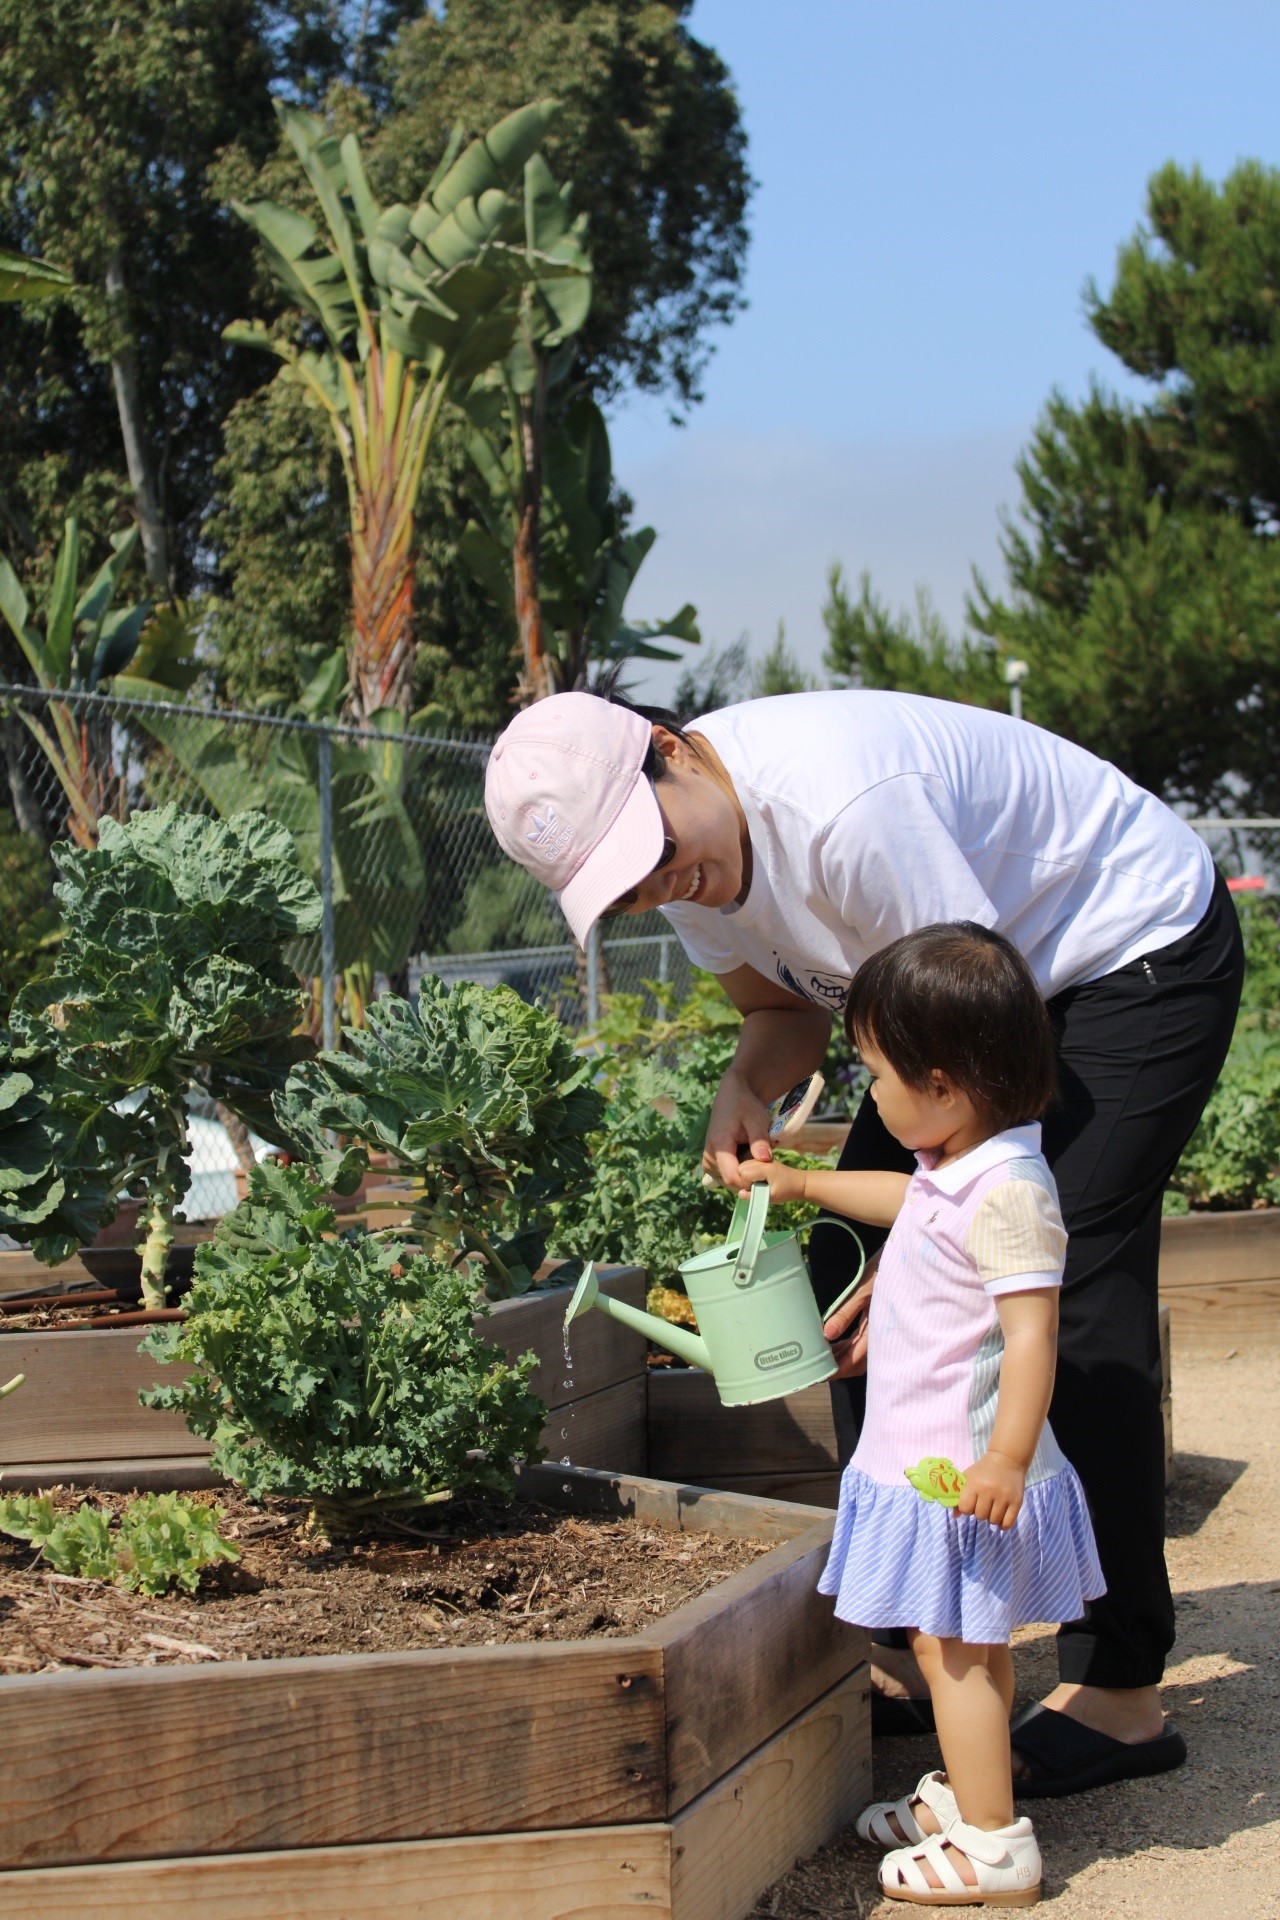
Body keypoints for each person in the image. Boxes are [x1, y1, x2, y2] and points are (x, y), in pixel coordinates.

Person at [484, 686, 1244, 1793]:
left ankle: (1120, 1686)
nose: (658, 887)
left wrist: (934, 1259)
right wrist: (743, 1085)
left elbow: (974, 1029)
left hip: (1120, 955)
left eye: (649, 852)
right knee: (848, 1280)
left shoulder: (845, 807)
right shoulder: (690, 863)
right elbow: (783, 1014)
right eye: (624, 884)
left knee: (1052, 1289)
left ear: (666, 752)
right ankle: (907, 1639)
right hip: (974, 1006)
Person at [737, 921, 1102, 1905]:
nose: (871, 1095)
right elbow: (907, 1205)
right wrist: (805, 1181)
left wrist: (1006, 1459)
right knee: (956, 1647)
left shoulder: (1011, 1194)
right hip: (927, 1457)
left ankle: (992, 1843)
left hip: (962, 1470)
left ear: (941, 1084)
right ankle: (965, 1792)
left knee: (959, 1654)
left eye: (875, 1077)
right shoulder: (961, 1164)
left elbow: (1030, 1337)